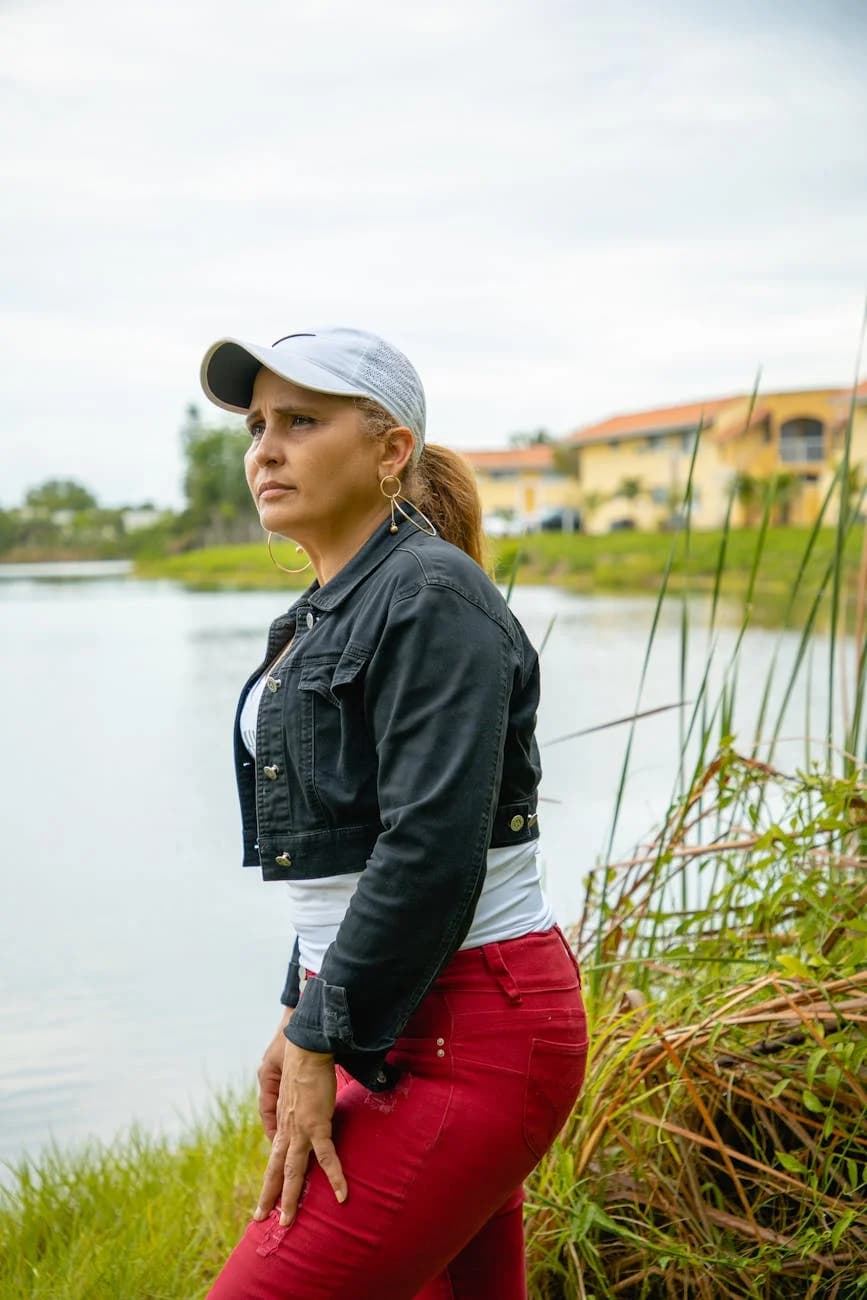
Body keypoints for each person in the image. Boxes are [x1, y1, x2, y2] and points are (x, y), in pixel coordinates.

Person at [199, 327, 588, 1300]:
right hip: (396, 1011)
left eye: (301, 419)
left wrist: (323, 1027)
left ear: (390, 449)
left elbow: (429, 850)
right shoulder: (324, 611)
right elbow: (343, 847)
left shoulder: (429, 596)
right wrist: (302, 1007)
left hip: (475, 1028)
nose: (265, 450)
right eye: (255, 427)